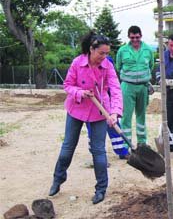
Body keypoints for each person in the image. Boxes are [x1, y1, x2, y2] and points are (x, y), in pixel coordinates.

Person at [48, 31, 122, 204]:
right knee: (68, 147)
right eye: (101, 53)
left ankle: (101, 189)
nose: (104, 57)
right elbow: (67, 85)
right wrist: (80, 92)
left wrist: (114, 113)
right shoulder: (77, 63)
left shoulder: (108, 66)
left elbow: (116, 89)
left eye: (106, 54)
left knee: (99, 151)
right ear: (91, 49)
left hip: (99, 111)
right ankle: (58, 179)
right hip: (76, 108)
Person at [116, 26, 155, 146]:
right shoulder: (122, 51)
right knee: (126, 116)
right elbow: (118, 67)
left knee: (141, 115)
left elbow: (151, 66)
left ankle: (142, 142)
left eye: (137, 37)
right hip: (127, 87)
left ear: (141, 36)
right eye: (132, 37)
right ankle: (126, 144)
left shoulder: (148, 50)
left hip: (143, 87)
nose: (135, 40)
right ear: (129, 37)